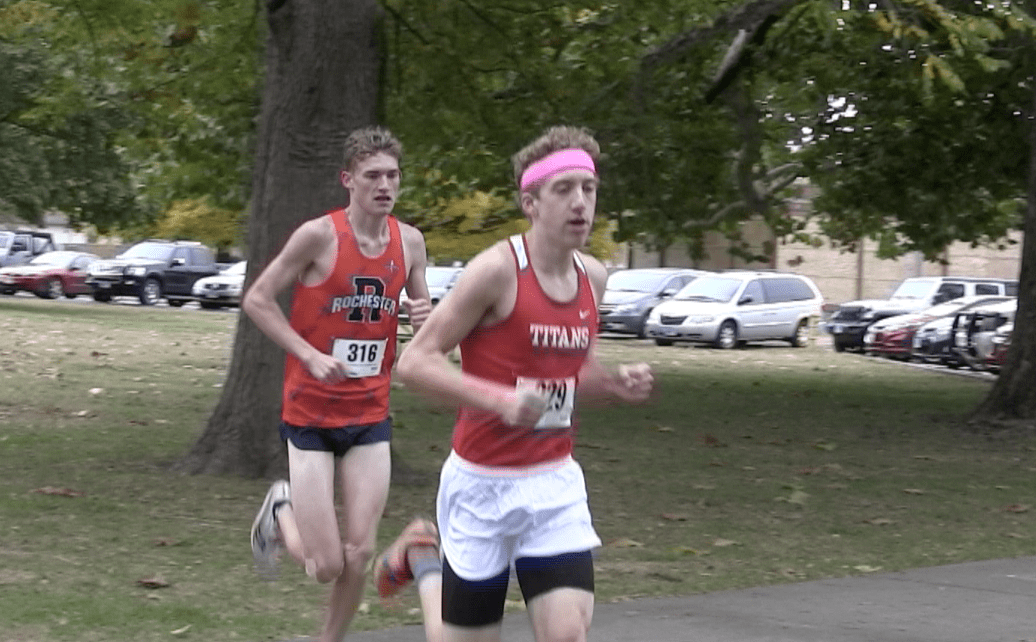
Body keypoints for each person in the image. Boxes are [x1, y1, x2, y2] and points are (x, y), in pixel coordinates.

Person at [373, 125, 654, 642]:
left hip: (553, 484)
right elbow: (415, 363)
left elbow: (575, 374)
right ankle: (423, 560)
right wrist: (500, 400)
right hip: (481, 484)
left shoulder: (593, 277)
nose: (580, 202)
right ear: (531, 203)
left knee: (567, 634)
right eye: (563, 189)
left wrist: (617, 386)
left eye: (588, 189)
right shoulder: (496, 271)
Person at [245, 125, 433, 642]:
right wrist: (308, 354)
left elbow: (427, 326)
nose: (385, 185)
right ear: (347, 179)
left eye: (392, 175)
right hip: (310, 413)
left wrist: (423, 316)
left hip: (369, 412)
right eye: (372, 175)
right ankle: (280, 509)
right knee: (326, 564)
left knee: (361, 550)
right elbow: (258, 299)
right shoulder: (318, 236)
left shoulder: (410, 242)